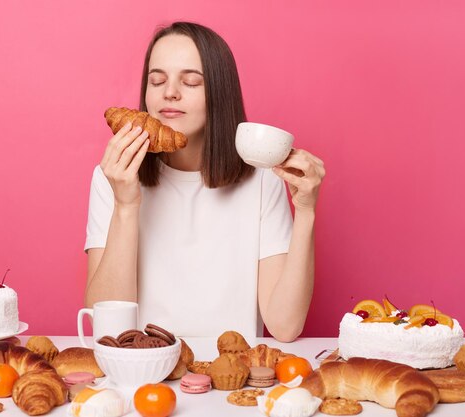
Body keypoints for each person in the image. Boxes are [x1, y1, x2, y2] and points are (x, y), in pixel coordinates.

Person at [84, 22, 325, 342]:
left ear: (219, 93)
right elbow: (109, 330)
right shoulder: (112, 176)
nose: (169, 91)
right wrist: (126, 206)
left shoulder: (262, 179)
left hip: (233, 379)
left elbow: (284, 325)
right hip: (143, 376)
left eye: (191, 81)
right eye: (157, 80)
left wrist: (306, 210)